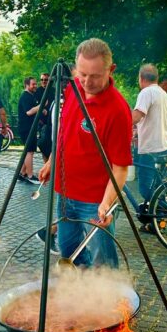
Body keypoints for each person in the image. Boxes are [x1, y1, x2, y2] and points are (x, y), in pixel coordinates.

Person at [38, 38, 133, 268]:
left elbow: (120, 168)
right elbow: (64, 131)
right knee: (68, 251)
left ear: (110, 70)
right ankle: (82, 293)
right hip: (64, 191)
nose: (87, 82)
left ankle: (109, 297)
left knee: (104, 259)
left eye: (95, 76)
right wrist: (51, 160)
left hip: (95, 199)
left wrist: (107, 203)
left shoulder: (118, 111)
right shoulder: (73, 89)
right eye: (82, 74)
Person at [133, 64, 167, 203]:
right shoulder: (163, 93)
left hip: (152, 149)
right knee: (158, 188)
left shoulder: (146, 92)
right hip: (166, 146)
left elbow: (136, 117)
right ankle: (156, 223)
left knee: (145, 188)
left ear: (141, 78)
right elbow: (153, 120)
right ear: (156, 78)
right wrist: (137, 131)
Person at [17, 76, 41, 183]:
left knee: (28, 151)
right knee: (29, 152)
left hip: (30, 127)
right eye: (33, 84)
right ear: (27, 85)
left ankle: (22, 173)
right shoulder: (25, 96)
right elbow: (29, 112)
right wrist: (41, 106)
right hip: (26, 128)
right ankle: (30, 176)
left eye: (36, 84)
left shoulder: (31, 96)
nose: (35, 86)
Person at [36, 72, 53, 162]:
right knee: (43, 144)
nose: (43, 81)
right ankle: (45, 163)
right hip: (42, 122)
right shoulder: (38, 91)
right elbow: (34, 104)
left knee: (52, 144)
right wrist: (41, 109)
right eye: (42, 79)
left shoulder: (54, 90)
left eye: (45, 80)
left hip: (52, 121)